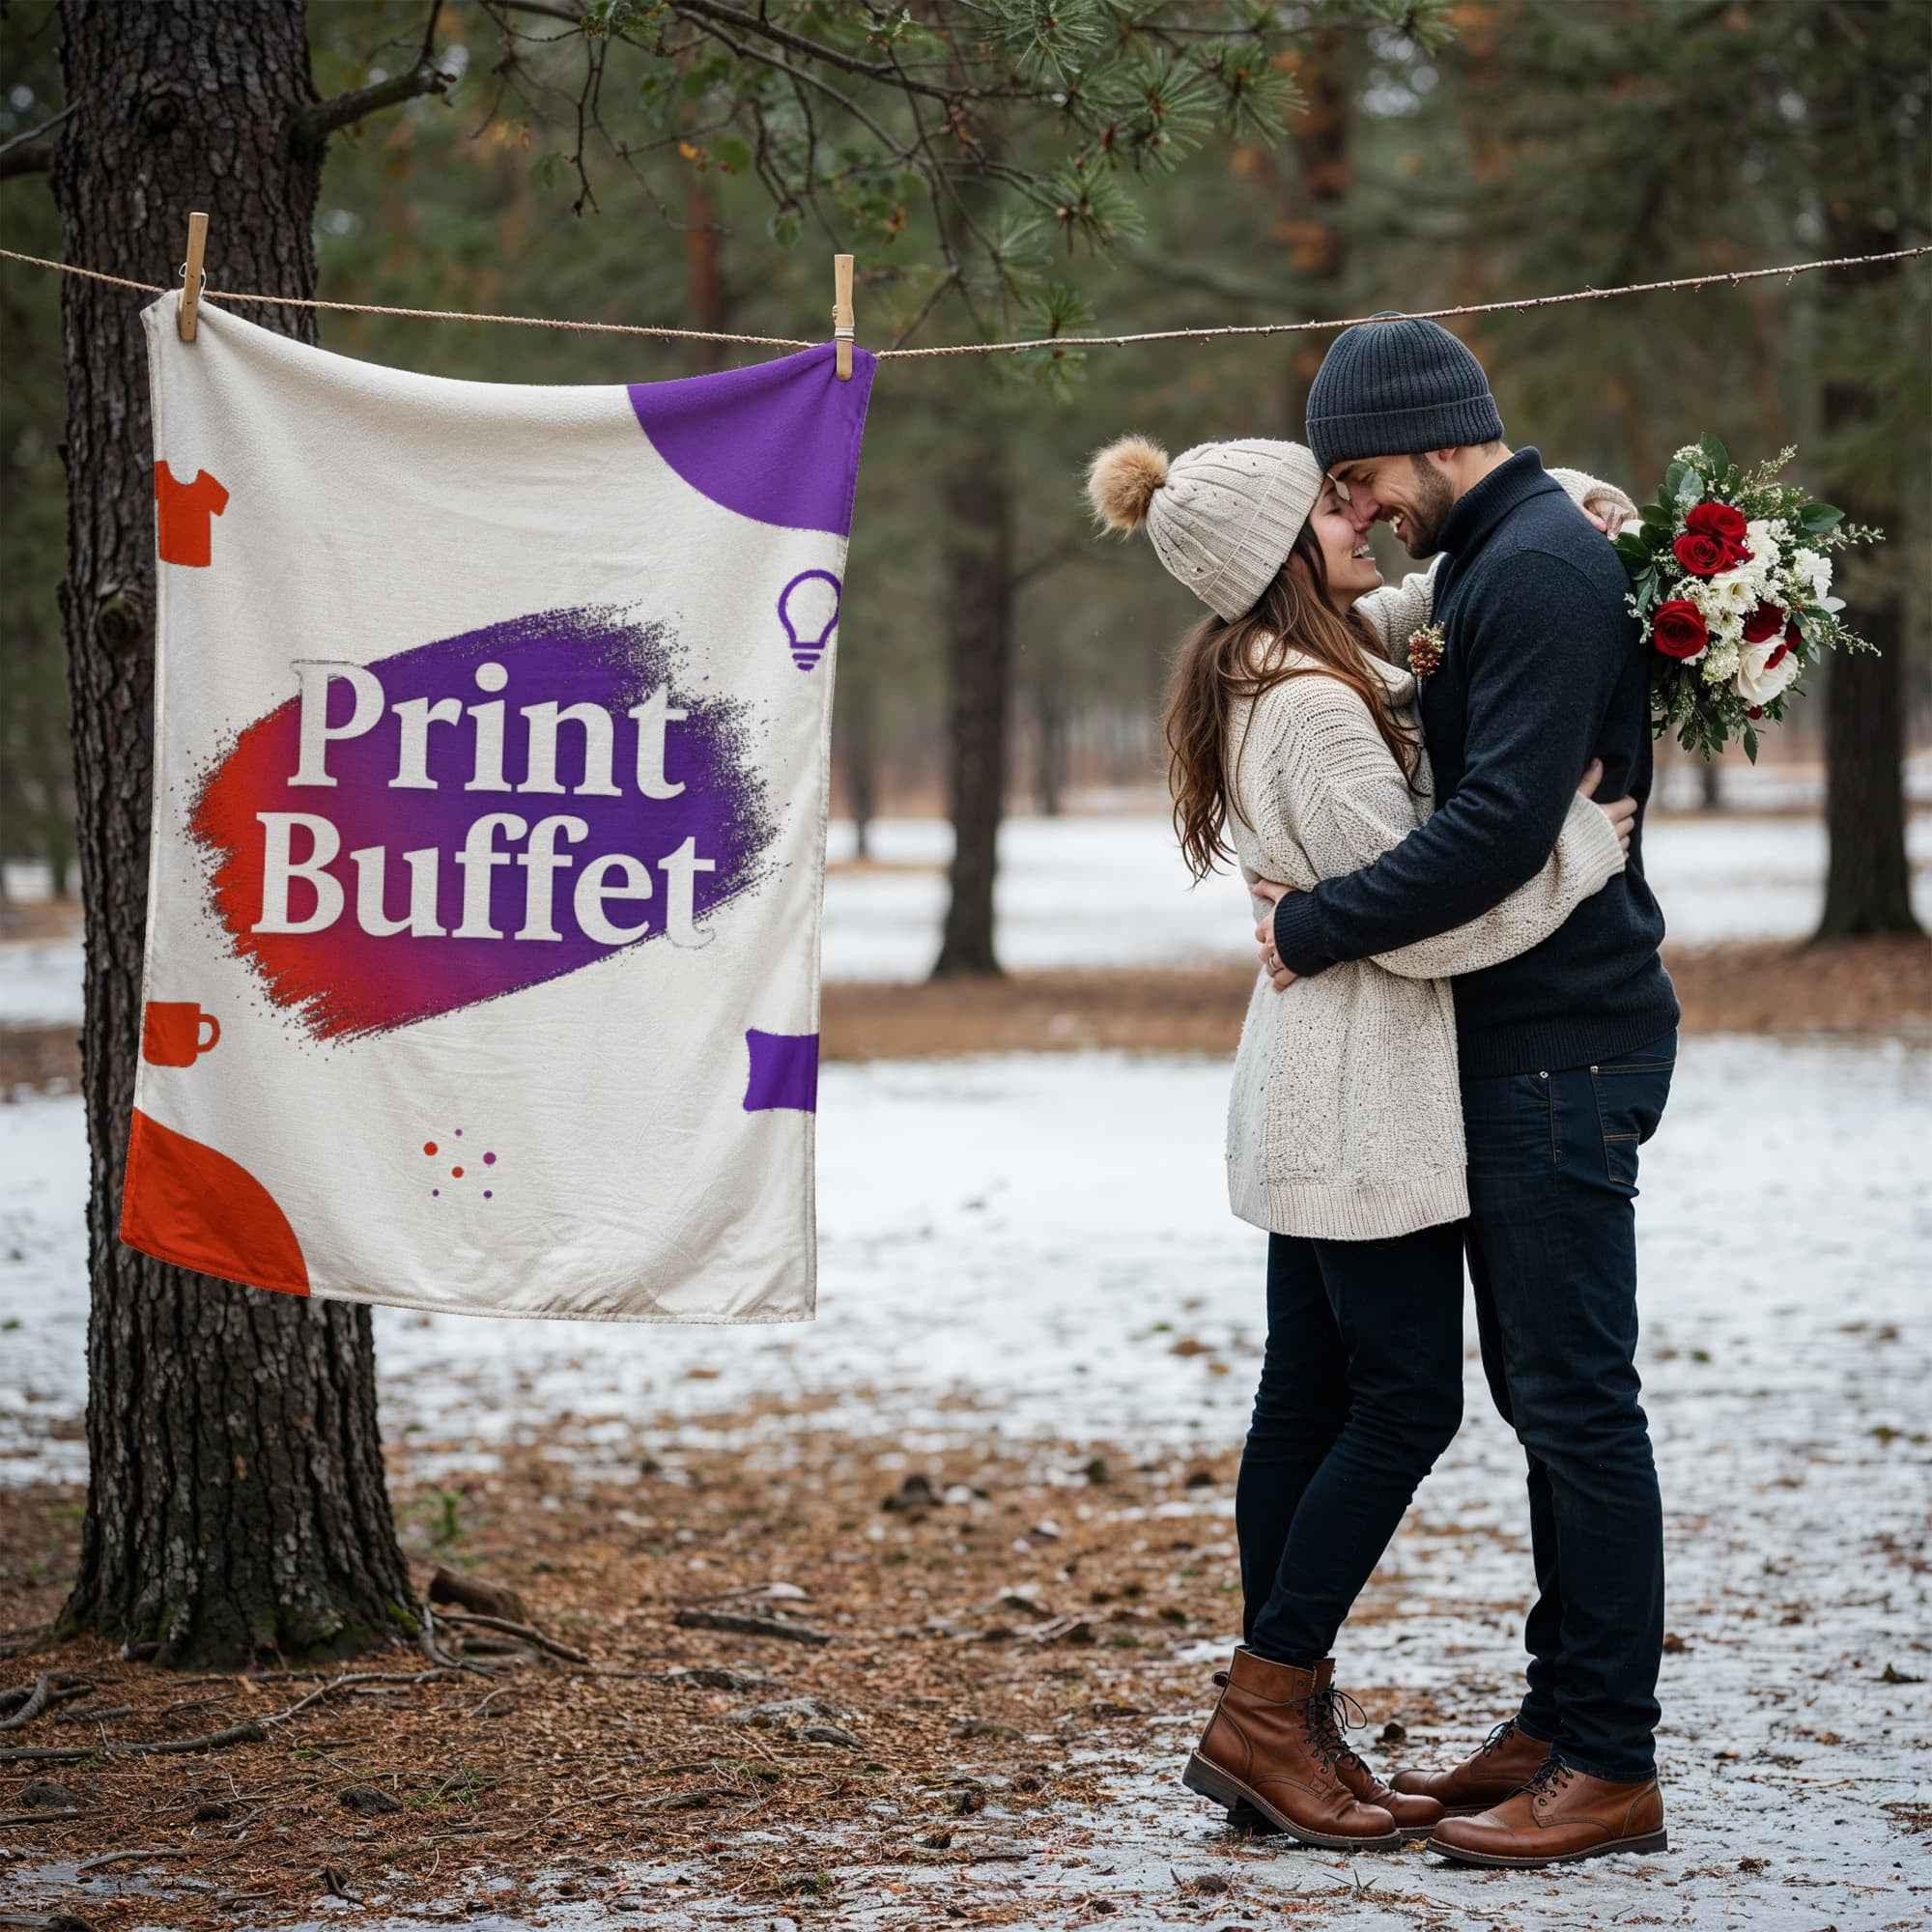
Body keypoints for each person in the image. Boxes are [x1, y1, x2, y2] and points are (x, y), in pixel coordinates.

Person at [1085, 427, 1638, 1852]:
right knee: (1405, 1405)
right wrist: (1587, 842)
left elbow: (1413, 612)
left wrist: (1558, 508)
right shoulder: (1321, 716)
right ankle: (1267, 1711)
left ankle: (1283, 1711)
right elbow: (1435, 918)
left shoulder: (1272, 661)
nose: (1363, 520)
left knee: (1307, 1397)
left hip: (1312, 1084)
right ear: (1281, 553)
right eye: (1332, 510)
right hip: (1359, 1094)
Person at [1251, 314, 1681, 1870]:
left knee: (1574, 1401)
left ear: (1440, 434)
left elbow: (1504, 829)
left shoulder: (1543, 566)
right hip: (1516, 1037)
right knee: (1541, 1399)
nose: (1359, 512)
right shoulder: (1500, 560)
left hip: (1565, 1038)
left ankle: (1612, 1757)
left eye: (1365, 480)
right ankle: (1561, 1715)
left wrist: (1313, 920)